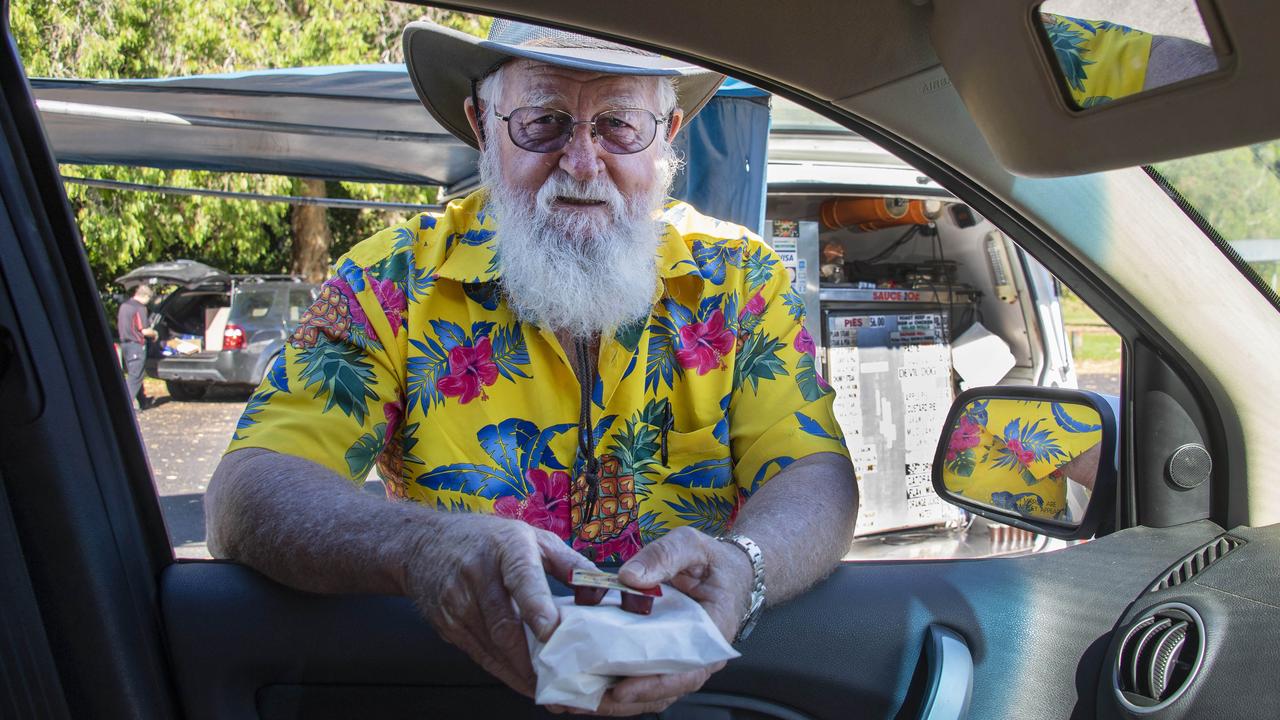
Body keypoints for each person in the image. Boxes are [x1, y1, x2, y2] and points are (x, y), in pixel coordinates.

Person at [206, 18, 857, 716]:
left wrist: (743, 566)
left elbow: (812, 471)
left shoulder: (740, 281)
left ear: (667, 134)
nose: (581, 161)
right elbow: (247, 490)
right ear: (482, 127)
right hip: (460, 691)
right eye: (543, 121)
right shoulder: (389, 281)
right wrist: (424, 549)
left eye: (619, 125)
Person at [117, 284, 157, 411]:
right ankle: (126, 405)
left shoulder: (125, 305)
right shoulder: (139, 308)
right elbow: (144, 330)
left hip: (125, 344)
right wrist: (155, 333)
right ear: (146, 296)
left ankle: (143, 401)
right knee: (135, 376)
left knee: (136, 373)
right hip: (136, 345)